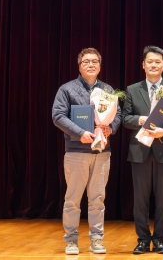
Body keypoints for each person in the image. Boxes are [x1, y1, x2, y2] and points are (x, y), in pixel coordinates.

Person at [52, 48, 121, 255]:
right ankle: (71, 240)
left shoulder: (108, 90)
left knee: (97, 199)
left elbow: (117, 114)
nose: (90, 64)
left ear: (100, 65)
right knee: (73, 199)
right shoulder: (67, 89)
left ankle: (97, 239)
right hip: (76, 152)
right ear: (79, 65)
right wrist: (80, 133)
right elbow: (58, 116)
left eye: (94, 61)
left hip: (102, 153)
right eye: (86, 62)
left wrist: (111, 128)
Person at [121, 46, 163, 255]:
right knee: (140, 200)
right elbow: (125, 118)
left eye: (158, 62)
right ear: (143, 65)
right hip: (140, 150)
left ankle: (159, 239)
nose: (154, 65)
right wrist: (141, 120)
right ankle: (142, 240)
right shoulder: (133, 89)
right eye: (150, 62)